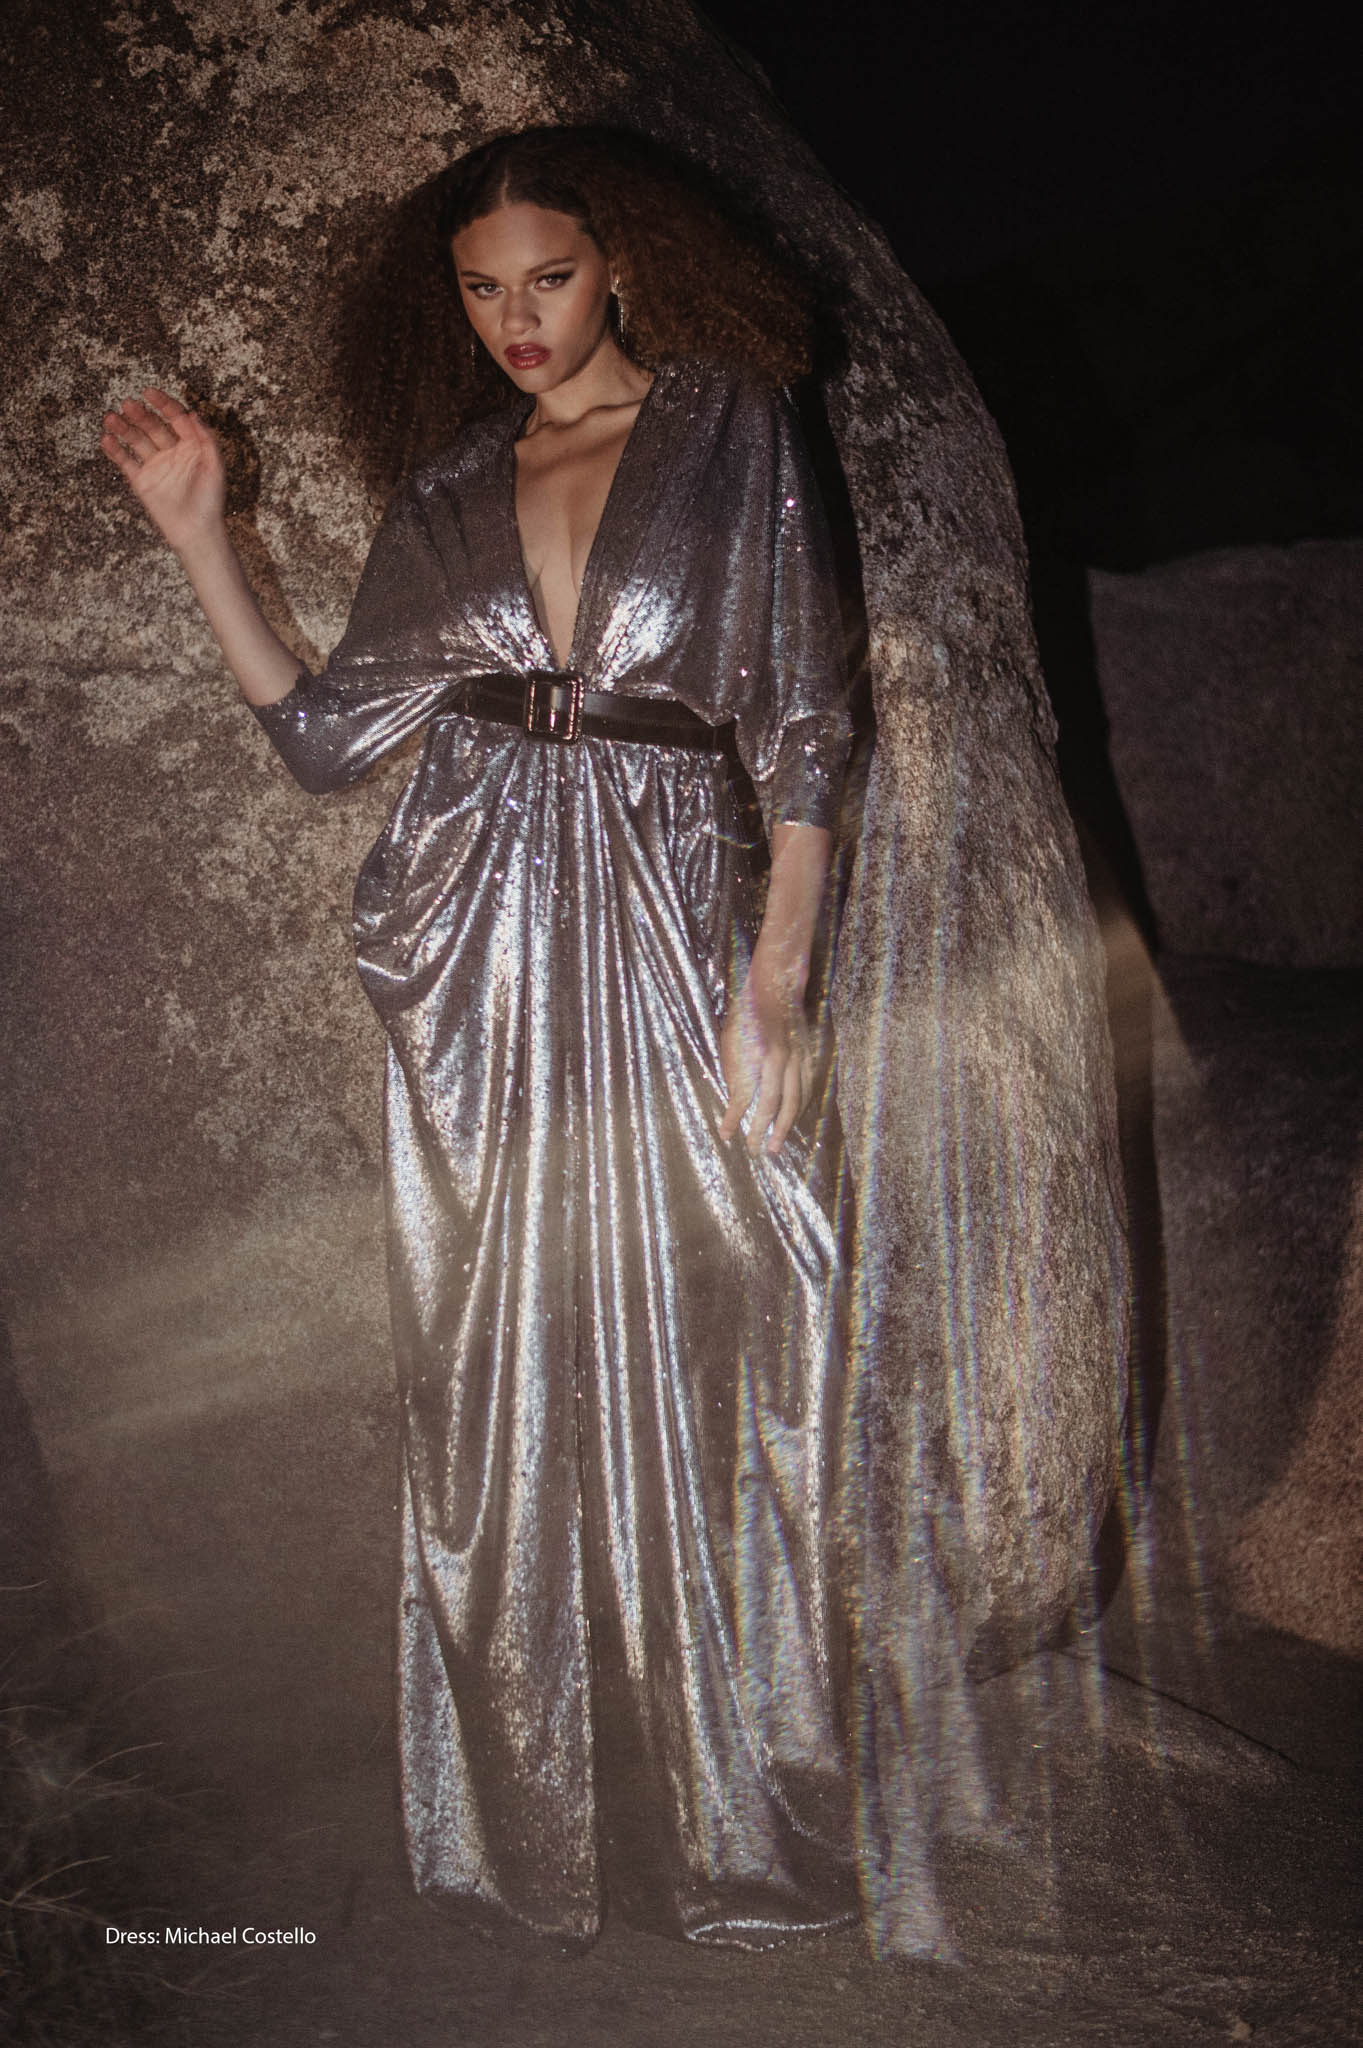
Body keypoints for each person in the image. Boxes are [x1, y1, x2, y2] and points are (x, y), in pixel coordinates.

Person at [100, 125, 861, 1949]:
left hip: (674, 925)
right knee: (497, 1365)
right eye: (483, 289)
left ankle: (736, 1807)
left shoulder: (733, 430)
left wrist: (776, 981)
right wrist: (203, 535)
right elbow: (324, 742)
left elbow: (809, 727)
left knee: (733, 1324)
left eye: (552, 277)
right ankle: (539, 1824)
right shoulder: (450, 486)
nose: (520, 318)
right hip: (487, 956)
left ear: (625, 266)